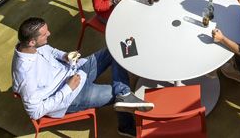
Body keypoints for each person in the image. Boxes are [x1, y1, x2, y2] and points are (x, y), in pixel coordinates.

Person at [11, 17, 152, 137]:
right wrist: (68, 88)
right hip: (71, 96)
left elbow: (51, 51)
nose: (49, 33)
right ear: (32, 42)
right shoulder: (25, 74)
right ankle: (126, 125)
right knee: (116, 95)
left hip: (75, 70)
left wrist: (64, 56)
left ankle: (124, 93)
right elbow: (35, 112)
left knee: (115, 48)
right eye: (44, 34)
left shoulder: (31, 45)